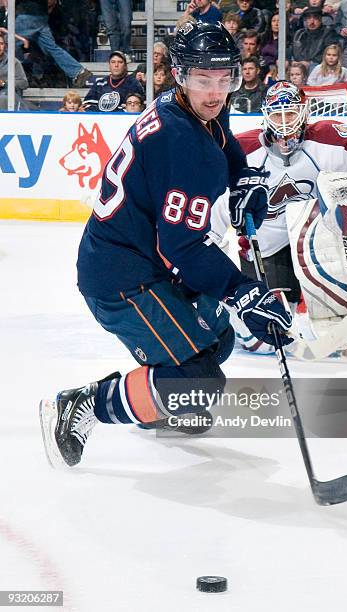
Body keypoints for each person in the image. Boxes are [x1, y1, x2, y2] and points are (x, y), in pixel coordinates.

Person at [39, 22, 292, 468]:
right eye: (203, 79)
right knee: (198, 379)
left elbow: (224, 140)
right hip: (122, 278)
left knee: (218, 339)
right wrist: (242, 291)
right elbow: (184, 248)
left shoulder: (195, 107)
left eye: (224, 77)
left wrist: (242, 179)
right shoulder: (181, 143)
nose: (215, 91)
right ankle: (83, 404)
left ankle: (158, 401)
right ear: (179, 75)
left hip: (143, 260)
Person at [210, 80, 347, 353]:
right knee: (261, 341)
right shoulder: (242, 153)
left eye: (291, 114)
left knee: (337, 329)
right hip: (265, 248)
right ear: (265, 116)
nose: (284, 123)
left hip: (318, 242)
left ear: (304, 112)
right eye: (277, 115)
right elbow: (212, 207)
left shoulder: (333, 140)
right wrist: (209, 261)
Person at [14, 0, 92, 87]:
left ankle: (12, 75)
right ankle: (78, 71)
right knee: (50, 48)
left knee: (8, 42)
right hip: (40, 15)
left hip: (27, 14)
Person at [0, 31, 28, 109]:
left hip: (6, 94)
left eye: (1, 44)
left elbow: (24, 83)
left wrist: (3, 83)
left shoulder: (13, 62)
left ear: (4, 46)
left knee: (3, 99)